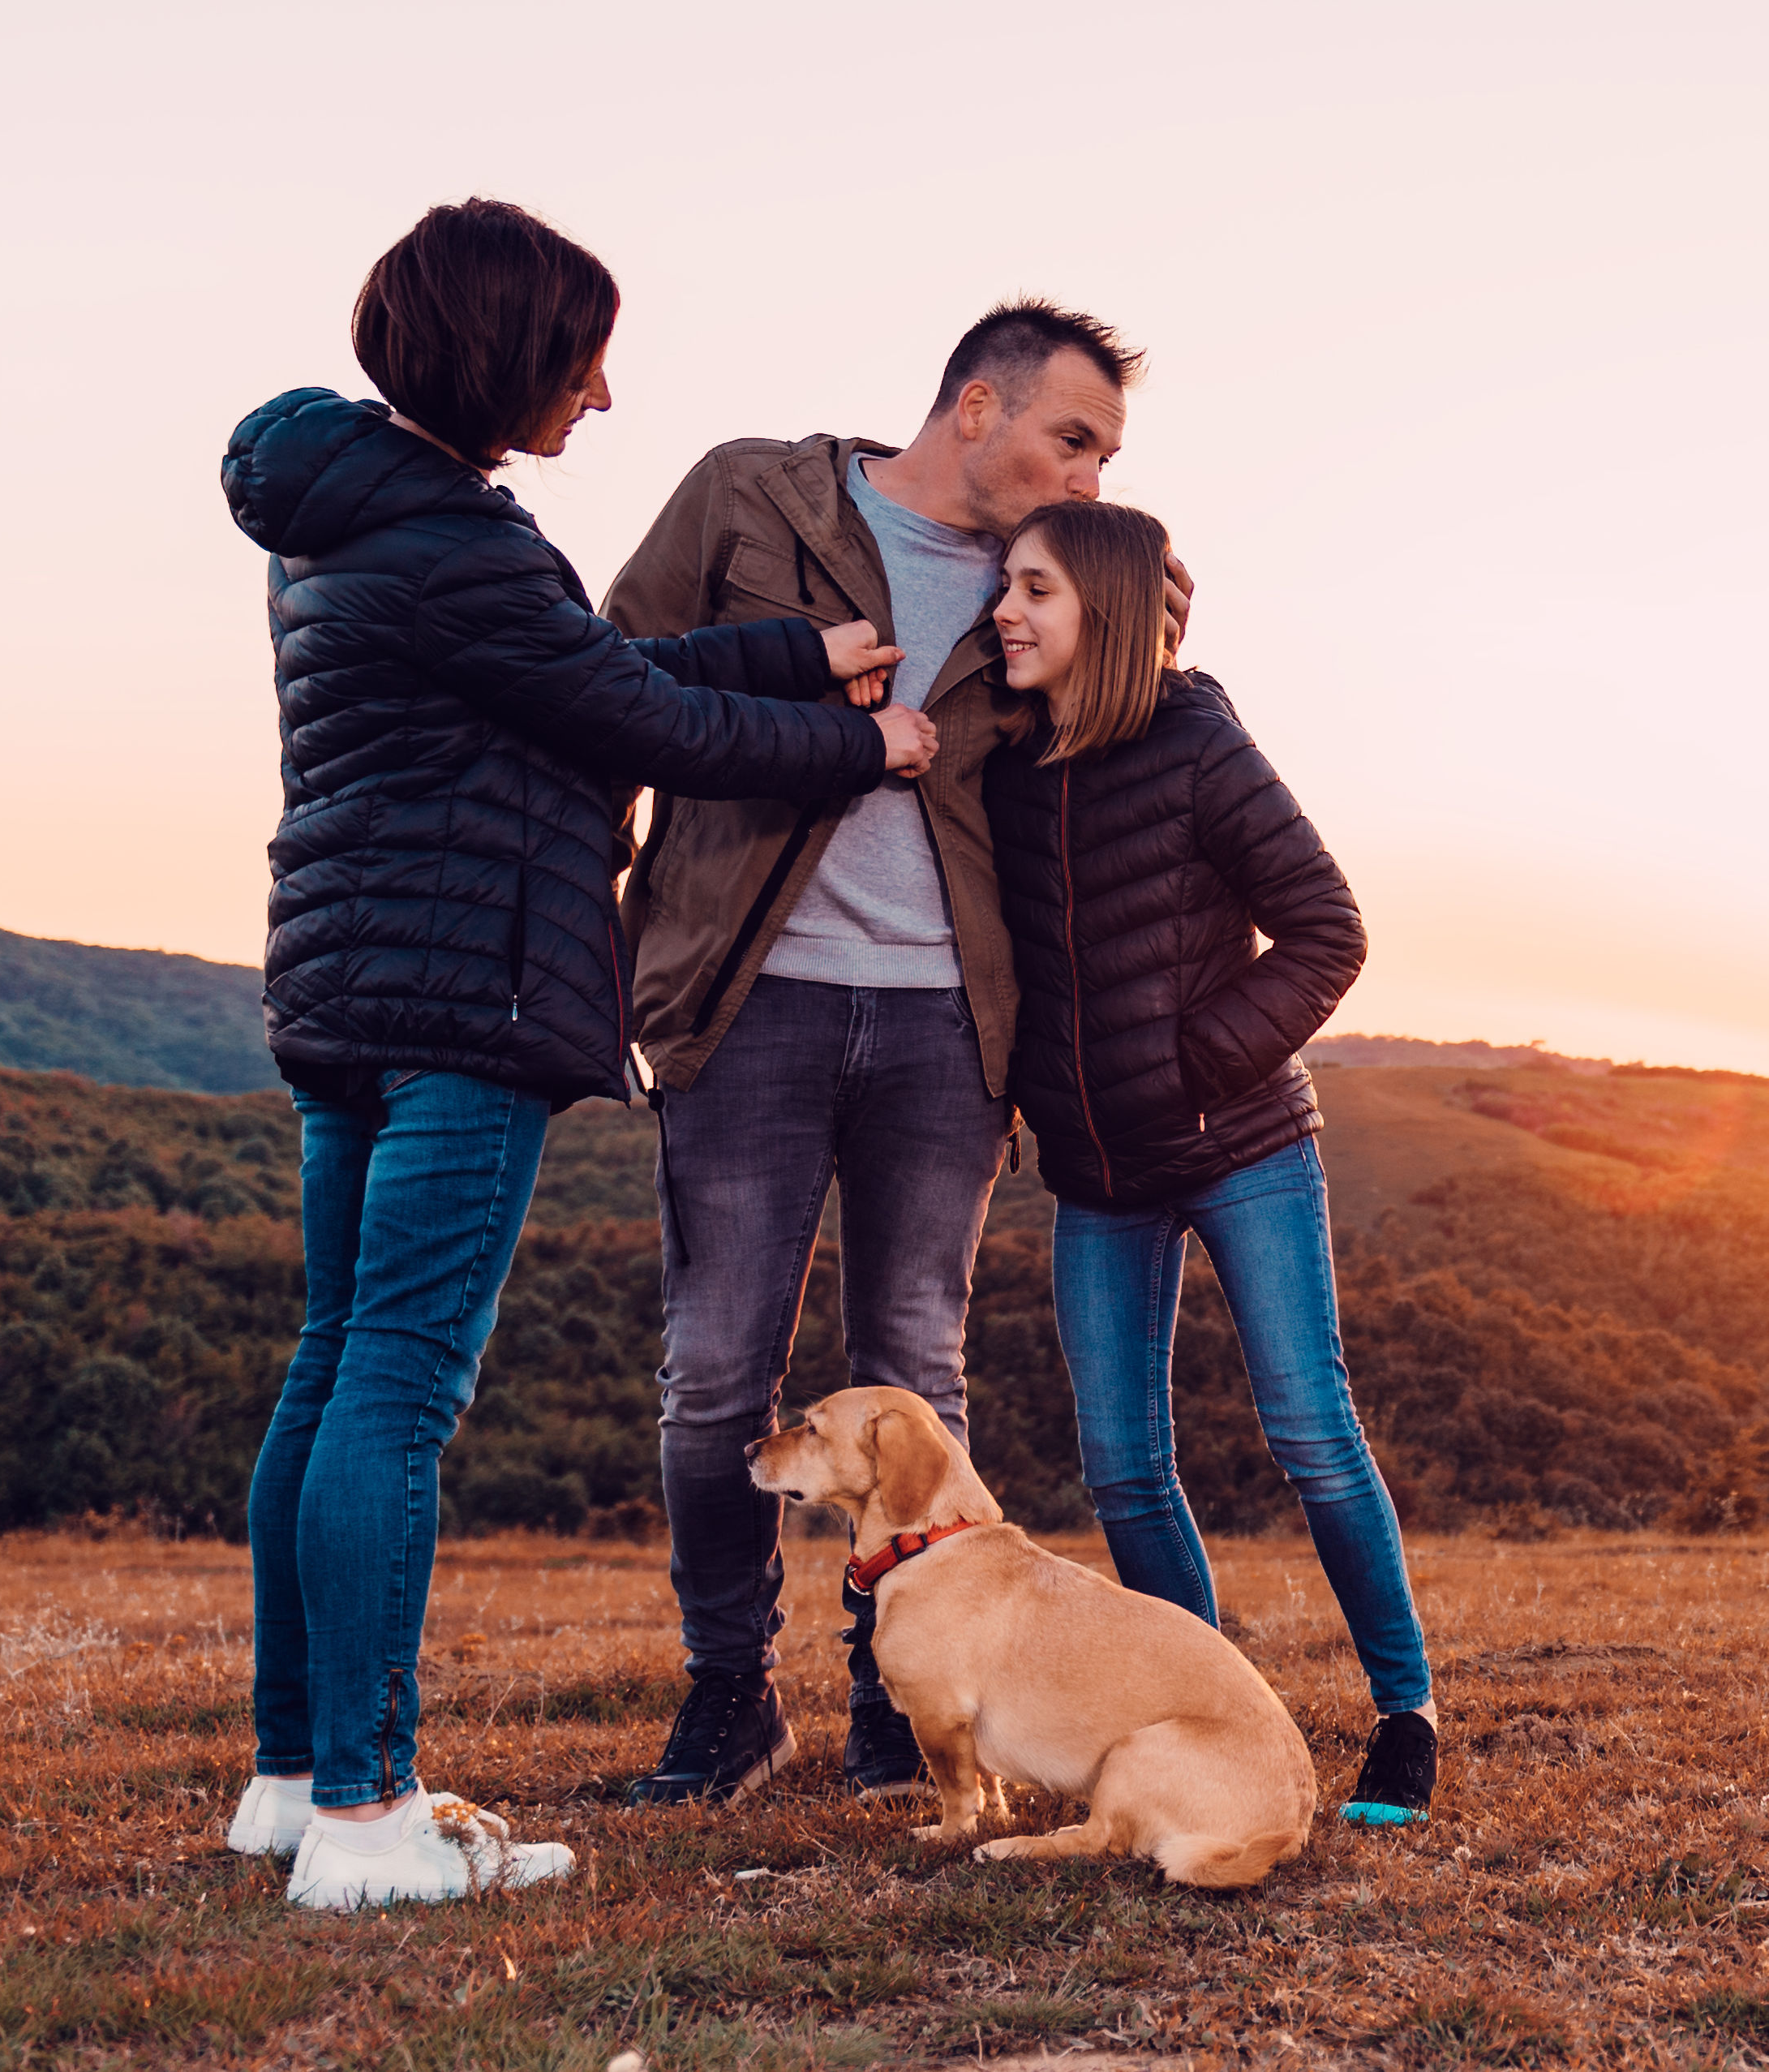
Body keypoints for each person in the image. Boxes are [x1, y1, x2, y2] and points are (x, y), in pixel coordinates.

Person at [216, 197, 938, 1909]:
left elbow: (580, 670)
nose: (602, 394)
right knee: (397, 1385)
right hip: (464, 994)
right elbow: (641, 720)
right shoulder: (458, 539)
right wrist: (865, 743)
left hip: (343, 989)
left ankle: (287, 1780)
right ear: (509, 353)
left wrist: (787, 648)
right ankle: (373, 1822)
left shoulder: (343, 518)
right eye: (583, 356)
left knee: (331, 1364)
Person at [603, 303, 1192, 1805]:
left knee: (918, 1377)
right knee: (721, 1372)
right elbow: (603, 692)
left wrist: (1141, 616)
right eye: (1075, 441)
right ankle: (729, 1698)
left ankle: (897, 1695)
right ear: (976, 406)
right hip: (752, 1000)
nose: (1091, 480)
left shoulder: (1042, 582)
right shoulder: (754, 495)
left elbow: (1106, 750)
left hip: (947, 1025)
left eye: (1110, 459)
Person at [980, 498, 1440, 1827]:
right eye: (1007, 586)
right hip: (1098, 1177)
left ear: (1107, 612)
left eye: (1036, 590)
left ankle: (1404, 1711)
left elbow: (1328, 930)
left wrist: (1187, 1066)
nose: (1005, 611)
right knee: (1122, 1461)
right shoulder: (1009, 776)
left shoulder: (1195, 743)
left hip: (1241, 1143)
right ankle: (1209, 1712)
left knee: (1310, 1430)